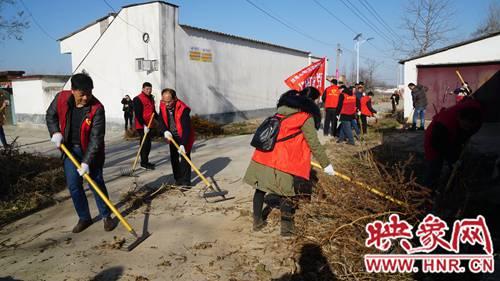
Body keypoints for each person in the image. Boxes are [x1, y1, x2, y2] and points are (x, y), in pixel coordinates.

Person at [244, 87, 334, 236]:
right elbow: (314, 143)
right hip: (283, 161)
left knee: (260, 189)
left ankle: (257, 222)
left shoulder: (280, 111)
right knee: (286, 193)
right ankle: (287, 229)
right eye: (317, 99)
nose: (319, 102)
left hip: (262, 156)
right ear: (310, 101)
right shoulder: (305, 117)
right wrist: (326, 164)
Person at [46, 73, 116, 233]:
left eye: (89, 93)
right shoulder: (61, 99)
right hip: (69, 149)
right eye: (82, 94)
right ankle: (84, 218)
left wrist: (86, 162)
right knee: (74, 186)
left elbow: (96, 138)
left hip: (91, 151)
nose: (86, 98)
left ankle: (106, 216)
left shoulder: (97, 108)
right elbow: (50, 115)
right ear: (73, 90)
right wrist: (55, 132)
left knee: (96, 182)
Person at [423, 98, 483, 192]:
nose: (466, 128)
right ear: (458, 118)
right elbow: (436, 143)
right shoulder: (444, 123)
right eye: (465, 126)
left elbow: (468, 132)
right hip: (434, 138)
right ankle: (427, 191)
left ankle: (450, 187)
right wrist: (452, 158)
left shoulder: (478, 117)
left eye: (469, 127)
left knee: (457, 164)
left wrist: (456, 154)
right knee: (434, 164)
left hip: (454, 134)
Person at [158, 88, 195, 186]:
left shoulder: (183, 109)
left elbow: (186, 129)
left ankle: (186, 182)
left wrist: (183, 144)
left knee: (185, 158)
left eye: (169, 101)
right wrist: (165, 130)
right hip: (171, 135)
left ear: (174, 99)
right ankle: (178, 179)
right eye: (164, 101)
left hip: (183, 136)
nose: (166, 104)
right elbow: (161, 119)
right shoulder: (162, 105)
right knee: (174, 158)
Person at [133, 82, 157, 170]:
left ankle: (145, 161)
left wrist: (161, 120)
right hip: (141, 125)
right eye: (147, 89)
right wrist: (144, 126)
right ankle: (143, 163)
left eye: (150, 89)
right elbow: (138, 114)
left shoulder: (151, 98)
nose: (149, 90)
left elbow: (153, 112)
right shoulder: (137, 99)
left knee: (148, 144)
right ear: (143, 89)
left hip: (150, 124)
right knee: (144, 143)